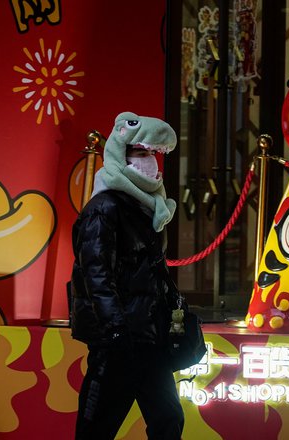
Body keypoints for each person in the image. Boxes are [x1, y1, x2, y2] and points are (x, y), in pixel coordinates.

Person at [70, 111, 184, 439]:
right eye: (140, 153)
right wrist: (115, 332)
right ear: (121, 154)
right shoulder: (103, 208)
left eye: (151, 154)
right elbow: (96, 275)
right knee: (97, 427)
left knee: (168, 421)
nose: (149, 161)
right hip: (118, 342)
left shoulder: (146, 207)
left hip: (149, 338)